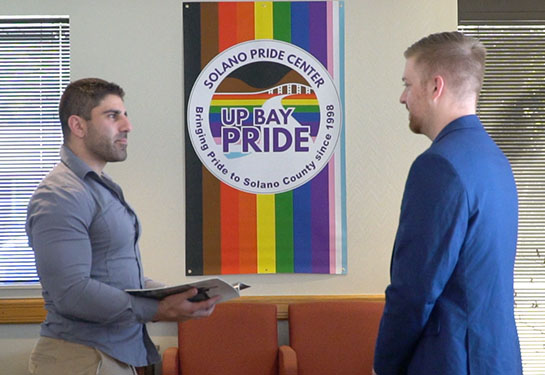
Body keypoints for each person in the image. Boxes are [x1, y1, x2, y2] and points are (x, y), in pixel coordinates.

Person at [26, 78, 220, 375]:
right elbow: (72, 292)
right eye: (113, 115)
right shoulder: (60, 195)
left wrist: (171, 294)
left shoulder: (101, 188)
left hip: (112, 356)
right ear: (78, 126)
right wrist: (158, 310)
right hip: (80, 358)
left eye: (125, 115)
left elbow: (113, 274)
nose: (127, 126)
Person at [373, 32, 522, 374]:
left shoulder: (438, 166)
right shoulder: (496, 160)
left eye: (408, 84)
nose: (402, 97)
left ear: (435, 87)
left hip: (450, 361)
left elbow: (413, 292)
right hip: (498, 360)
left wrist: (383, 365)